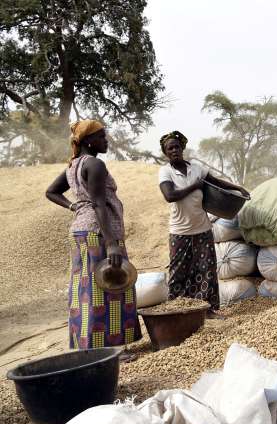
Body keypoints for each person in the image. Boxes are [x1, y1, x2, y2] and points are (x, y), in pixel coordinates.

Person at [45, 120, 141, 359]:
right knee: (110, 287)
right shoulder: (95, 164)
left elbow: (51, 191)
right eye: (102, 137)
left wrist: (74, 206)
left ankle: (91, 347)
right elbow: (99, 204)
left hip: (80, 232)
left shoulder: (74, 165)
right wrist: (111, 244)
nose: (106, 141)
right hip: (97, 233)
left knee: (85, 290)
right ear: (88, 140)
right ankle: (108, 351)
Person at [158, 131, 248, 319]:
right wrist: (195, 186)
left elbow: (216, 183)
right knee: (178, 272)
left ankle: (207, 310)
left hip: (202, 229)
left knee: (205, 270)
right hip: (179, 230)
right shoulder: (166, 171)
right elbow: (169, 196)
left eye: (176, 147)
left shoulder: (197, 168)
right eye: (170, 148)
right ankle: (177, 310)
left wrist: (237, 187)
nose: (174, 150)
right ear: (166, 153)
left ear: (182, 148)